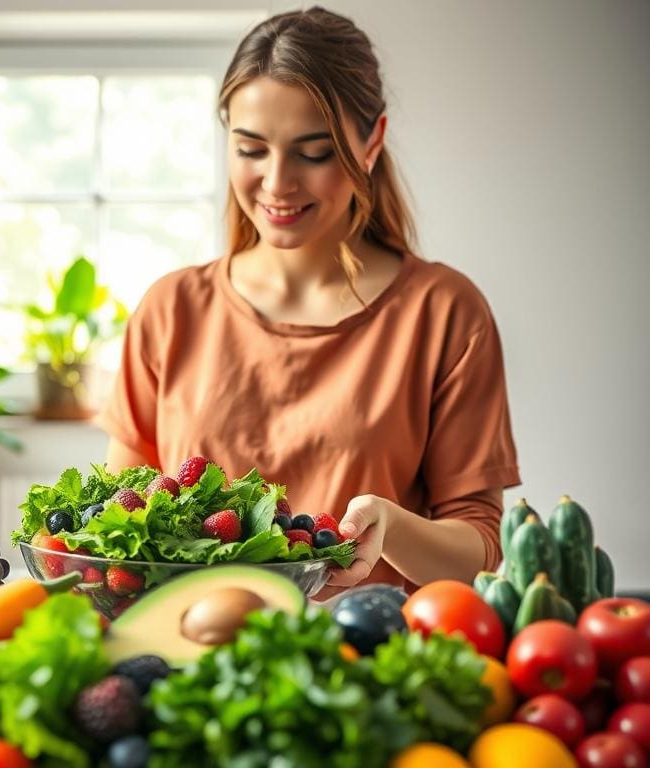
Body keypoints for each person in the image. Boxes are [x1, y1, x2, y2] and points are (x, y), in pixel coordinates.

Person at [96, 6, 520, 599]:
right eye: (250, 150)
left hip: (366, 666)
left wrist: (391, 527)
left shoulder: (444, 312)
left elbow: (480, 552)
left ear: (371, 142)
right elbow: (115, 533)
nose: (276, 182)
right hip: (186, 660)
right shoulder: (170, 311)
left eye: (313, 152)